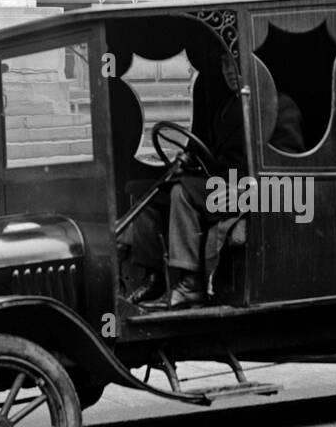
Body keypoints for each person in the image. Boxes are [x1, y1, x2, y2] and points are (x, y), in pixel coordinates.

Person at [127, 86, 303, 308]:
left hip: (251, 192)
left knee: (182, 192)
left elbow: (291, 164)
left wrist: (249, 188)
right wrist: (188, 160)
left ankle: (190, 285)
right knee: (148, 193)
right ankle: (154, 277)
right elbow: (205, 150)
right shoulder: (224, 106)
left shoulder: (278, 105)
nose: (229, 70)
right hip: (219, 185)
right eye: (225, 63)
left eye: (234, 63)